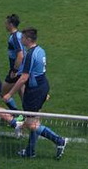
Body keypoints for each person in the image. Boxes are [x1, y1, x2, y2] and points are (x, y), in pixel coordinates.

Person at [5, 27, 67, 158]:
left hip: (34, 91)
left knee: (31, 124)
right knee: (34, 120)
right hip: (41, 86)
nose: (20, 40)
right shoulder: (40, 50)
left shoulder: (30, 54)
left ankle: (59, 140)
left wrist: (10, 94)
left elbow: (24, 78)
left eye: (22, 38)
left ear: (28, 39)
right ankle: (30, 151)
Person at [0, 14, 25, 112]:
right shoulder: (20, 35)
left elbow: (20, 55)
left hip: (17, 71)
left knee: (3, 92)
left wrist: (14, 70)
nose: (5, 25)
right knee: (23, 95)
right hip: (23, 70)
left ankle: (18, 115)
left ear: (10, 24)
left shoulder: (14, 37)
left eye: (6, 23)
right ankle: (30, 118)